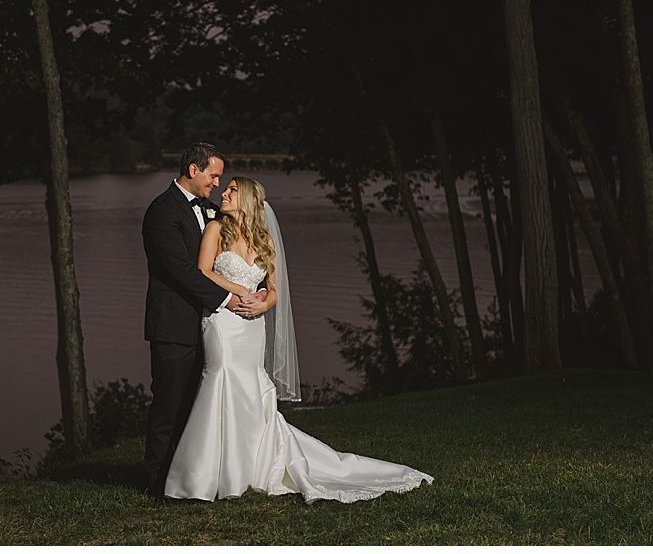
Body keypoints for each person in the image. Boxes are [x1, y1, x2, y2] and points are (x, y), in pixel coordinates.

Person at [164, 176, 434, 503]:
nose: (225, 192)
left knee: (249, 386)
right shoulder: (216, 230)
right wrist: (240, 292)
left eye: (233, 190)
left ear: (248, 199)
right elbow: (203, 272)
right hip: (222, 320)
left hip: (252, 325)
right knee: (219, 376)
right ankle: (205, 476)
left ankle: (249, 467)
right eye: (226, 188)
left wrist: (264, 301)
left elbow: (275, 289)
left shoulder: (265, 240)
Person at [141, 143, 265, 498]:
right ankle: (156, 481)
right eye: (213, 175)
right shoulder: (161, 212)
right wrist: (230, 298)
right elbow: (182, 271)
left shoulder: (215, 212)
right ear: (194, 170)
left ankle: (194, 474)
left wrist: (259, 295)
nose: (217, 182)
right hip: (175, 323)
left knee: (201, 405)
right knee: (169, 402)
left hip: (213, 327)